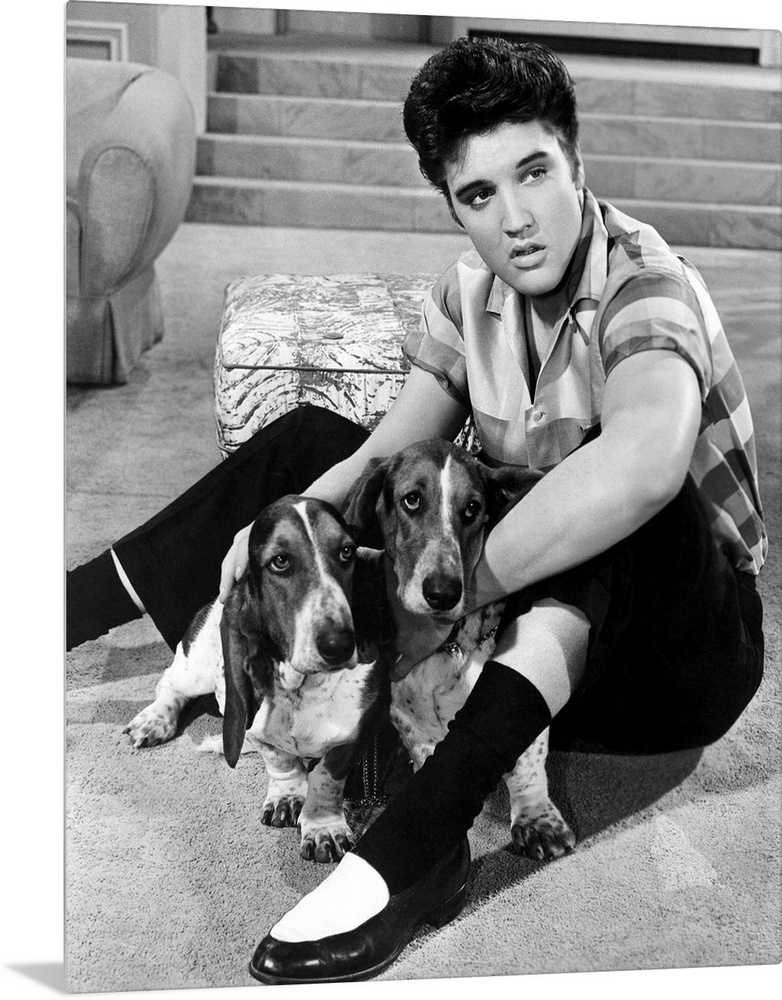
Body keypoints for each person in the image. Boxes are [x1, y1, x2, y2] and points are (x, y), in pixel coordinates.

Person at [67, 37, 766, 984]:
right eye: (478, 195)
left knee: (606, 485)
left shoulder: (644, 283)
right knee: (313, 443)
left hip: (677, 655)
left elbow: (643, 467)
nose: (514, 219)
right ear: (452, 205)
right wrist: (270, 525)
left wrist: (445, 596)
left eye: (534, 173)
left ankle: (422, 843)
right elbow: (378, 457)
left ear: (575, 162)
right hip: (541, 663)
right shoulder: (468, 289)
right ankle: (60, 613)